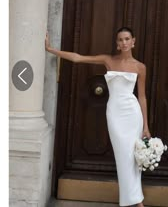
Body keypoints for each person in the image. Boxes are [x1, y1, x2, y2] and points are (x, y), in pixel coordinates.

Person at [45, 27, 151, 207]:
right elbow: (78, 58)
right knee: (122, 157)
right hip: (115, 114)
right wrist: (51, 50)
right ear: (117, 44)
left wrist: (146, 126)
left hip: (133, 114)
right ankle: (135, 201)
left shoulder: (140, 67)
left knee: (132, 158)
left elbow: (142, 96)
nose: (124, 43)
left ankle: (136, 203)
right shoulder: (108, 60)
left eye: (127, 39)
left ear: (133, 41)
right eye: (120, 40)